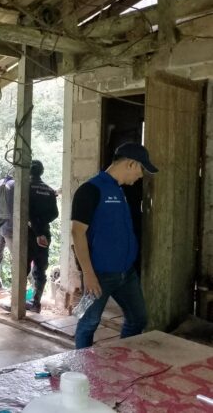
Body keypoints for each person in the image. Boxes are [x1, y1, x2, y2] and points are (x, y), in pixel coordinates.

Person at [71, 142, 158, 349]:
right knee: (89, 323)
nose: (140, 175)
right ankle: (82, 364)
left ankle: (122, 356)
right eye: (141, 169)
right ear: (131, 164)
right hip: (100, 274)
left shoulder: (120, 191)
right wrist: (88, 274)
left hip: (126, 273)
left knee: (138, 318)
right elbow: (77, 233)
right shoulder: (90, 190)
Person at [26, 160, 59, 313]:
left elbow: (27, 212)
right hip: (44, 233)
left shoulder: (26, 188)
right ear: (42, 171)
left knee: (23, 267)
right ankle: (36, 303)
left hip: (28, 233)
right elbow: (55, 214)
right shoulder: (49, 190)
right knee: (40, 269)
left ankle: (18, 302)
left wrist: (35, 225)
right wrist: (42, 223)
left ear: (29, 171)